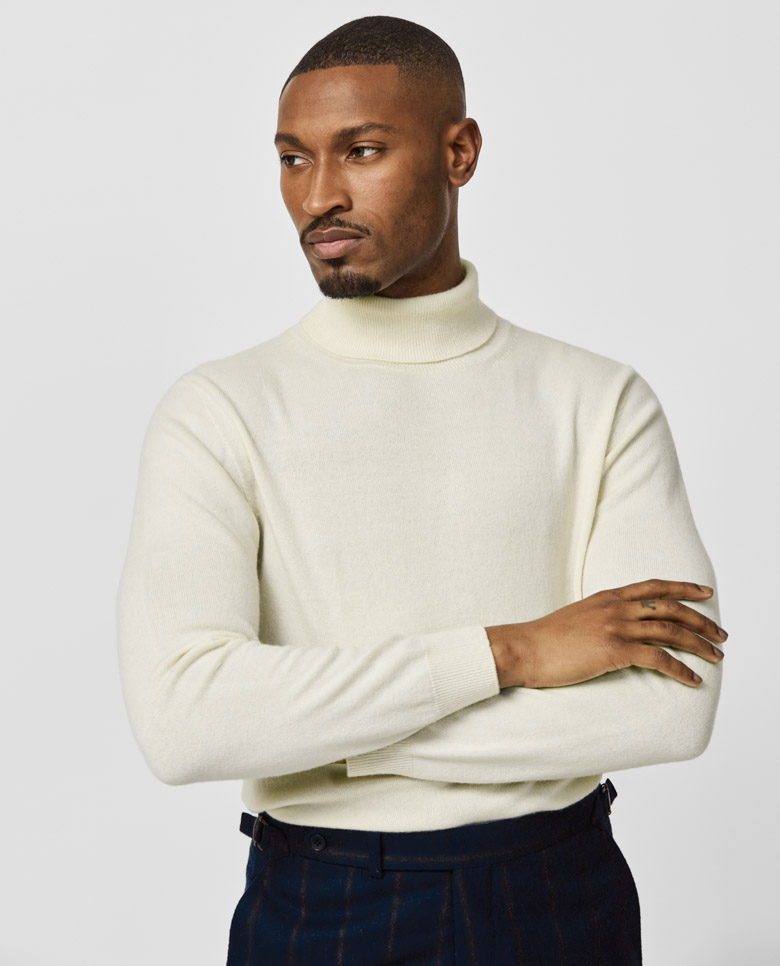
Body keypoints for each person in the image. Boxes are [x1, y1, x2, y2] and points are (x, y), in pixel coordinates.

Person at [116, 15, 726, 966]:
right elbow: (186, 722)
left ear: (459, 153)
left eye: (361, 151)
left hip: (560, 892)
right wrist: (514, 651)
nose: (318, 194)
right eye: (292, 158)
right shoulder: (220, 410)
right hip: (324, 903)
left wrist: (325, 738)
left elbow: (667, 711)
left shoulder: (599, 401)